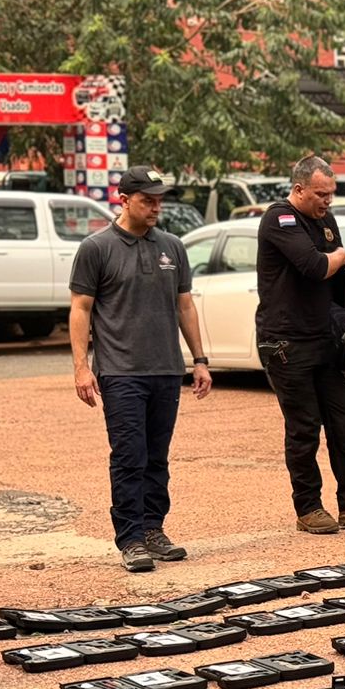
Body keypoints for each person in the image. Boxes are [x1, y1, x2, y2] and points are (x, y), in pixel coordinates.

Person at [69, 165, 212, 573]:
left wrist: (199, 360)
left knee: (157, 457)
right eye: (147, 200)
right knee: (129, 456)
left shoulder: (172, 247)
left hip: (166, 369)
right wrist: (82, 368)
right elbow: (81, 309)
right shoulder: (96, 248)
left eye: (159, 200)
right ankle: (130, 538)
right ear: (123, 198)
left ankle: (154, 530)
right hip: (121, 371)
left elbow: (185, 304)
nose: (155, 207)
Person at [255, 154, 345, 534]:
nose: (327, 201)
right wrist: (339, 256)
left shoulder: (325, 220)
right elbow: (315, 266)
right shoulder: (279, 218)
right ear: (299, 189)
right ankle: (308, 507)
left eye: (331, 194)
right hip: (286, 341)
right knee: (303, 427)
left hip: (324, 336)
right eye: (320, 194)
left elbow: (340, 276)